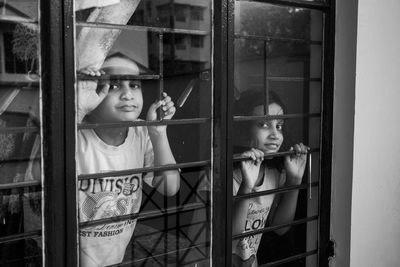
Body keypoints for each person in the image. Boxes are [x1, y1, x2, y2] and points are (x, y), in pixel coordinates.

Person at [76, 54, 180, 267]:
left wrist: (158, 133)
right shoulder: (76, 135)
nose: (127, 95)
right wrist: (78, 109)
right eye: (113, 86)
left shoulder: (142, 132)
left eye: (134, 85)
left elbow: (170, 188)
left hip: (115, 257)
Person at [231, 90, 308, 267]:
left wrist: (294, 180)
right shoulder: (221, 176)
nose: (275, 134)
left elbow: (281, 228)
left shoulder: (273, 173)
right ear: (243, 129)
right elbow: (228, 242)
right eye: (264, 125)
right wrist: (246, 187)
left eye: (279, 126)